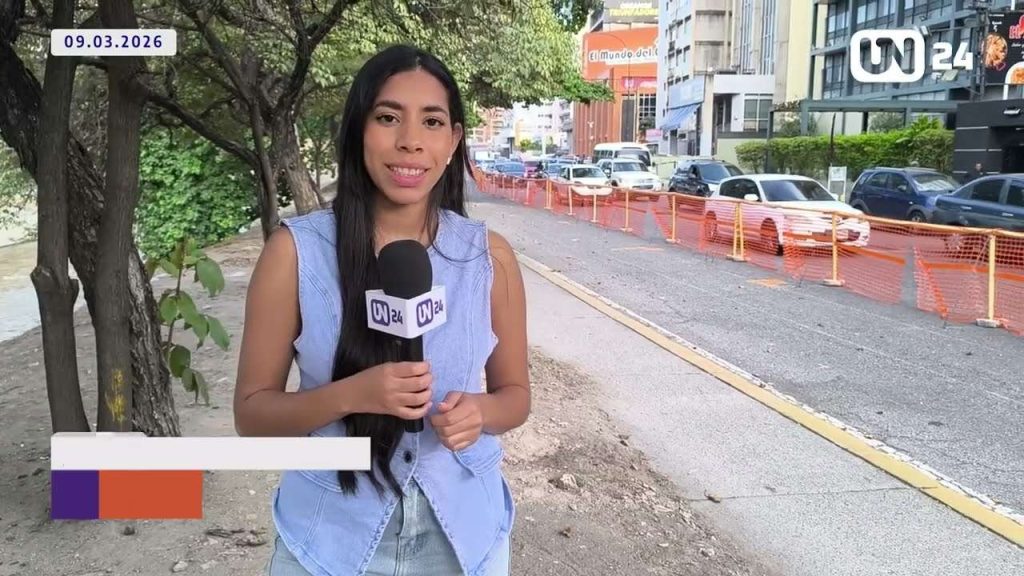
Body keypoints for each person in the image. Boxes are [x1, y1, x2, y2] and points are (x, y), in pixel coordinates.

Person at [233, 44, 531, 576]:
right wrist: (354, 394)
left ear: (454, 140)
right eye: (388, 117)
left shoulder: (490, 258)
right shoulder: (295, 253)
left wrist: (480, 413)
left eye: (432, 121)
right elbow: (252, 415)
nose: (410, 141)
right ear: (359, 130)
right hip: (329, 539)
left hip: (464, 536)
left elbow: (516, 396)